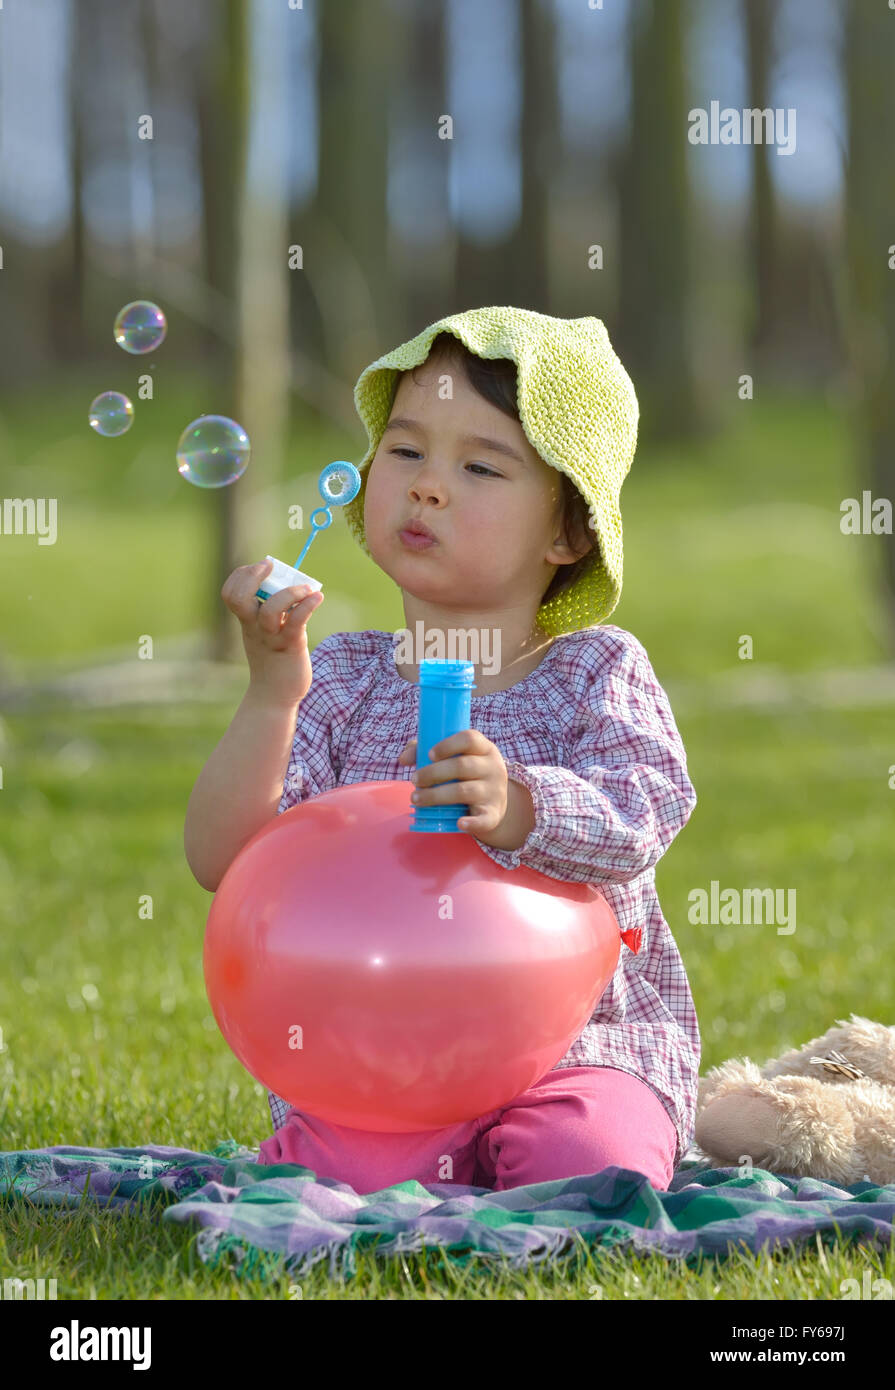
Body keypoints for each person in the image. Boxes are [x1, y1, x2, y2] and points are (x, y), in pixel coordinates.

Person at [184, 306, 699, 1194]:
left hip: (582, 1048)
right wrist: (273, 693)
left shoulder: (595, 671)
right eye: (407, 451)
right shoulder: (337, 680)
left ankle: (568, 1141)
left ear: (567, 532)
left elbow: (645, 811)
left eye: (479, 466)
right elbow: (222, 861)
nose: (427, 486)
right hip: (383, 1064)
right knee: (340, 1182)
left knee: (583, 1168)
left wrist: (520, 807)